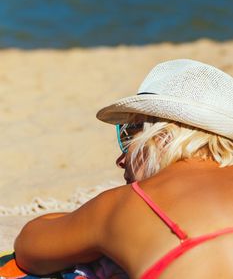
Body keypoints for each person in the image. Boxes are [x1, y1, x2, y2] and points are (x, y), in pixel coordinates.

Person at [14, 59, 233, 279]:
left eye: (128, 136)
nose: (121, 159)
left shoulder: (128, 204)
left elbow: (30, 248)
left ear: (161, 137)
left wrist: (86, 220)